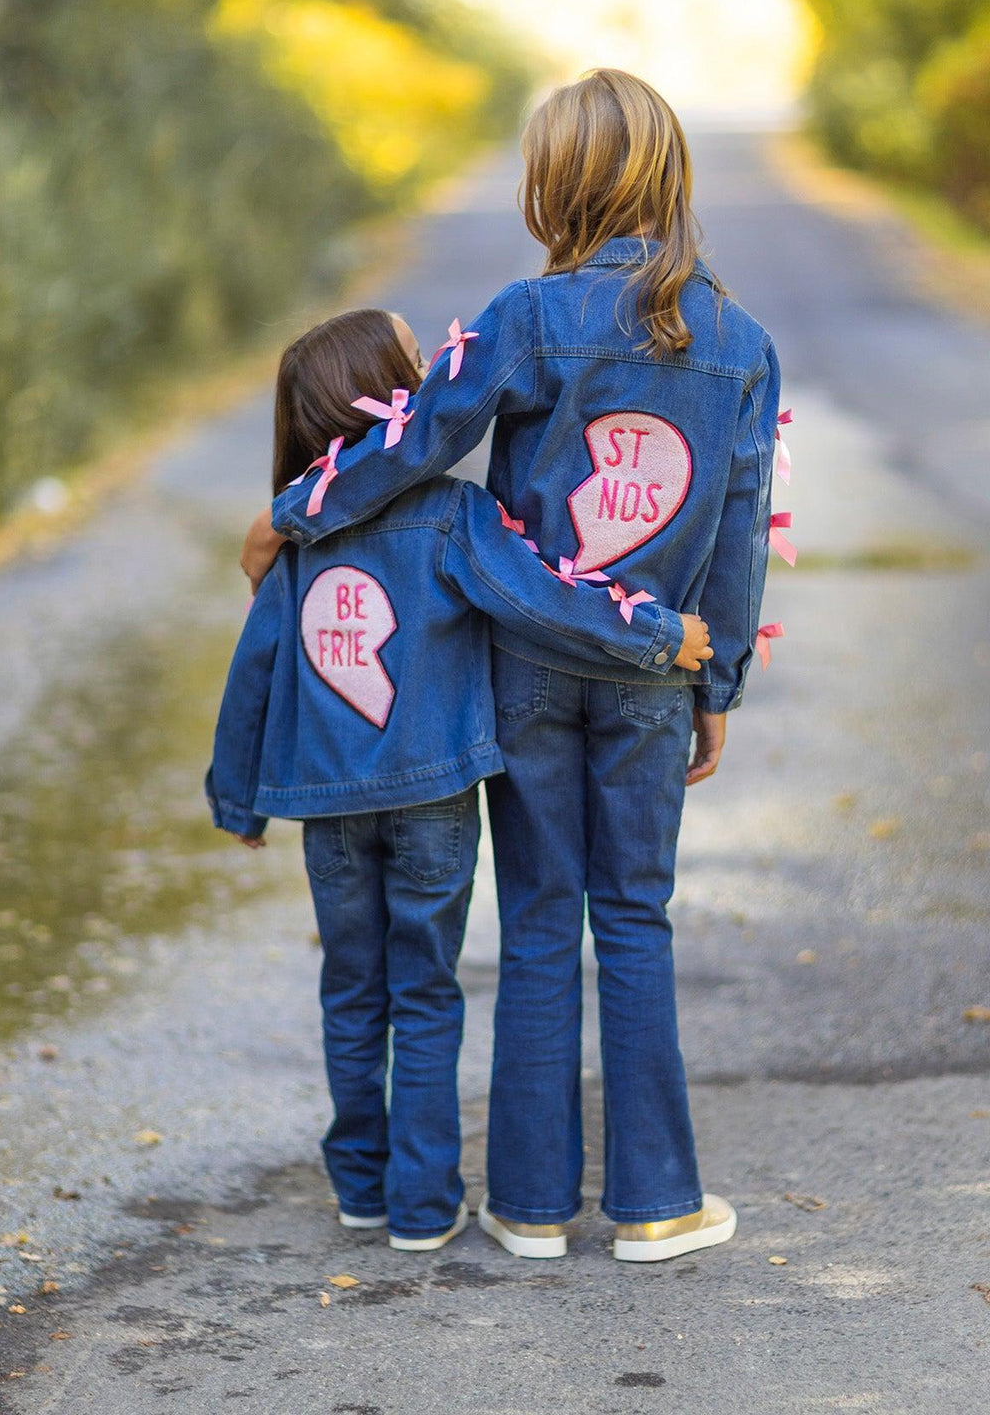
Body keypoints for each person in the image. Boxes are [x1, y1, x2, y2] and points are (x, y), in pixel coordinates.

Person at [241, 69, 785, 1263]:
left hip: (526, 668)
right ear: (671, 178)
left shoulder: (524, 319)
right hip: (652, 675)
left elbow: (410, 442)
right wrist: (717, 684)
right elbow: (739, 536)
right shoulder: (741, 345)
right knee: (633, 917)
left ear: (553, 187)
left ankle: (530, 1207)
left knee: (540, 918)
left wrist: (295, 512)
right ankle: (655, 1205)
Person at [207, 304, 713, 1253]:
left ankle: (360, 1187)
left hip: (330, 808)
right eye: (423, 360)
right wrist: (659, 635)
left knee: (351, 990)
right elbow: (545, 600)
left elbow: (256, 668)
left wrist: (238, 799)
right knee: (426, 991)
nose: (445, 366)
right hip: (434, 801)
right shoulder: (453, 516)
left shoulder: (299, 537)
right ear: (395, 401)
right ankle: (423, 1202)